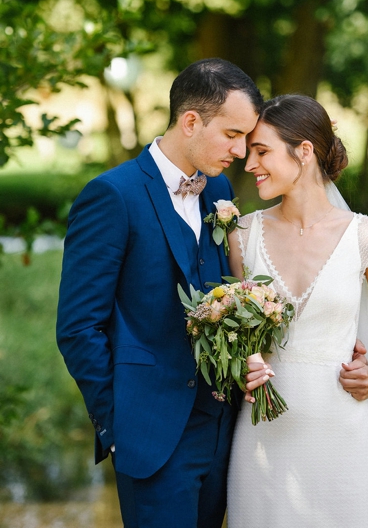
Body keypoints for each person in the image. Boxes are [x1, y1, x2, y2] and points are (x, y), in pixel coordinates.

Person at [57, 59, 264, 528]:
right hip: (149, 433)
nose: (242, 150)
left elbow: (230, 291)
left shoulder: (220, 191)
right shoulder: (112, 195)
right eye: (232, 134)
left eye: (247, 137)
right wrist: (117, 424)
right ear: (191, 121)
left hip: (223, 427)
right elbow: (77, 327)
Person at [226, 94, 368, 528]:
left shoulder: (367, 236)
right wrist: (245, 363)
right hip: (263, 441)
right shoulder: (242, 234)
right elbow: (233, 329)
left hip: (343, 433)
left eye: (262, 151)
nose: (249, 163)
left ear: (304, 151)